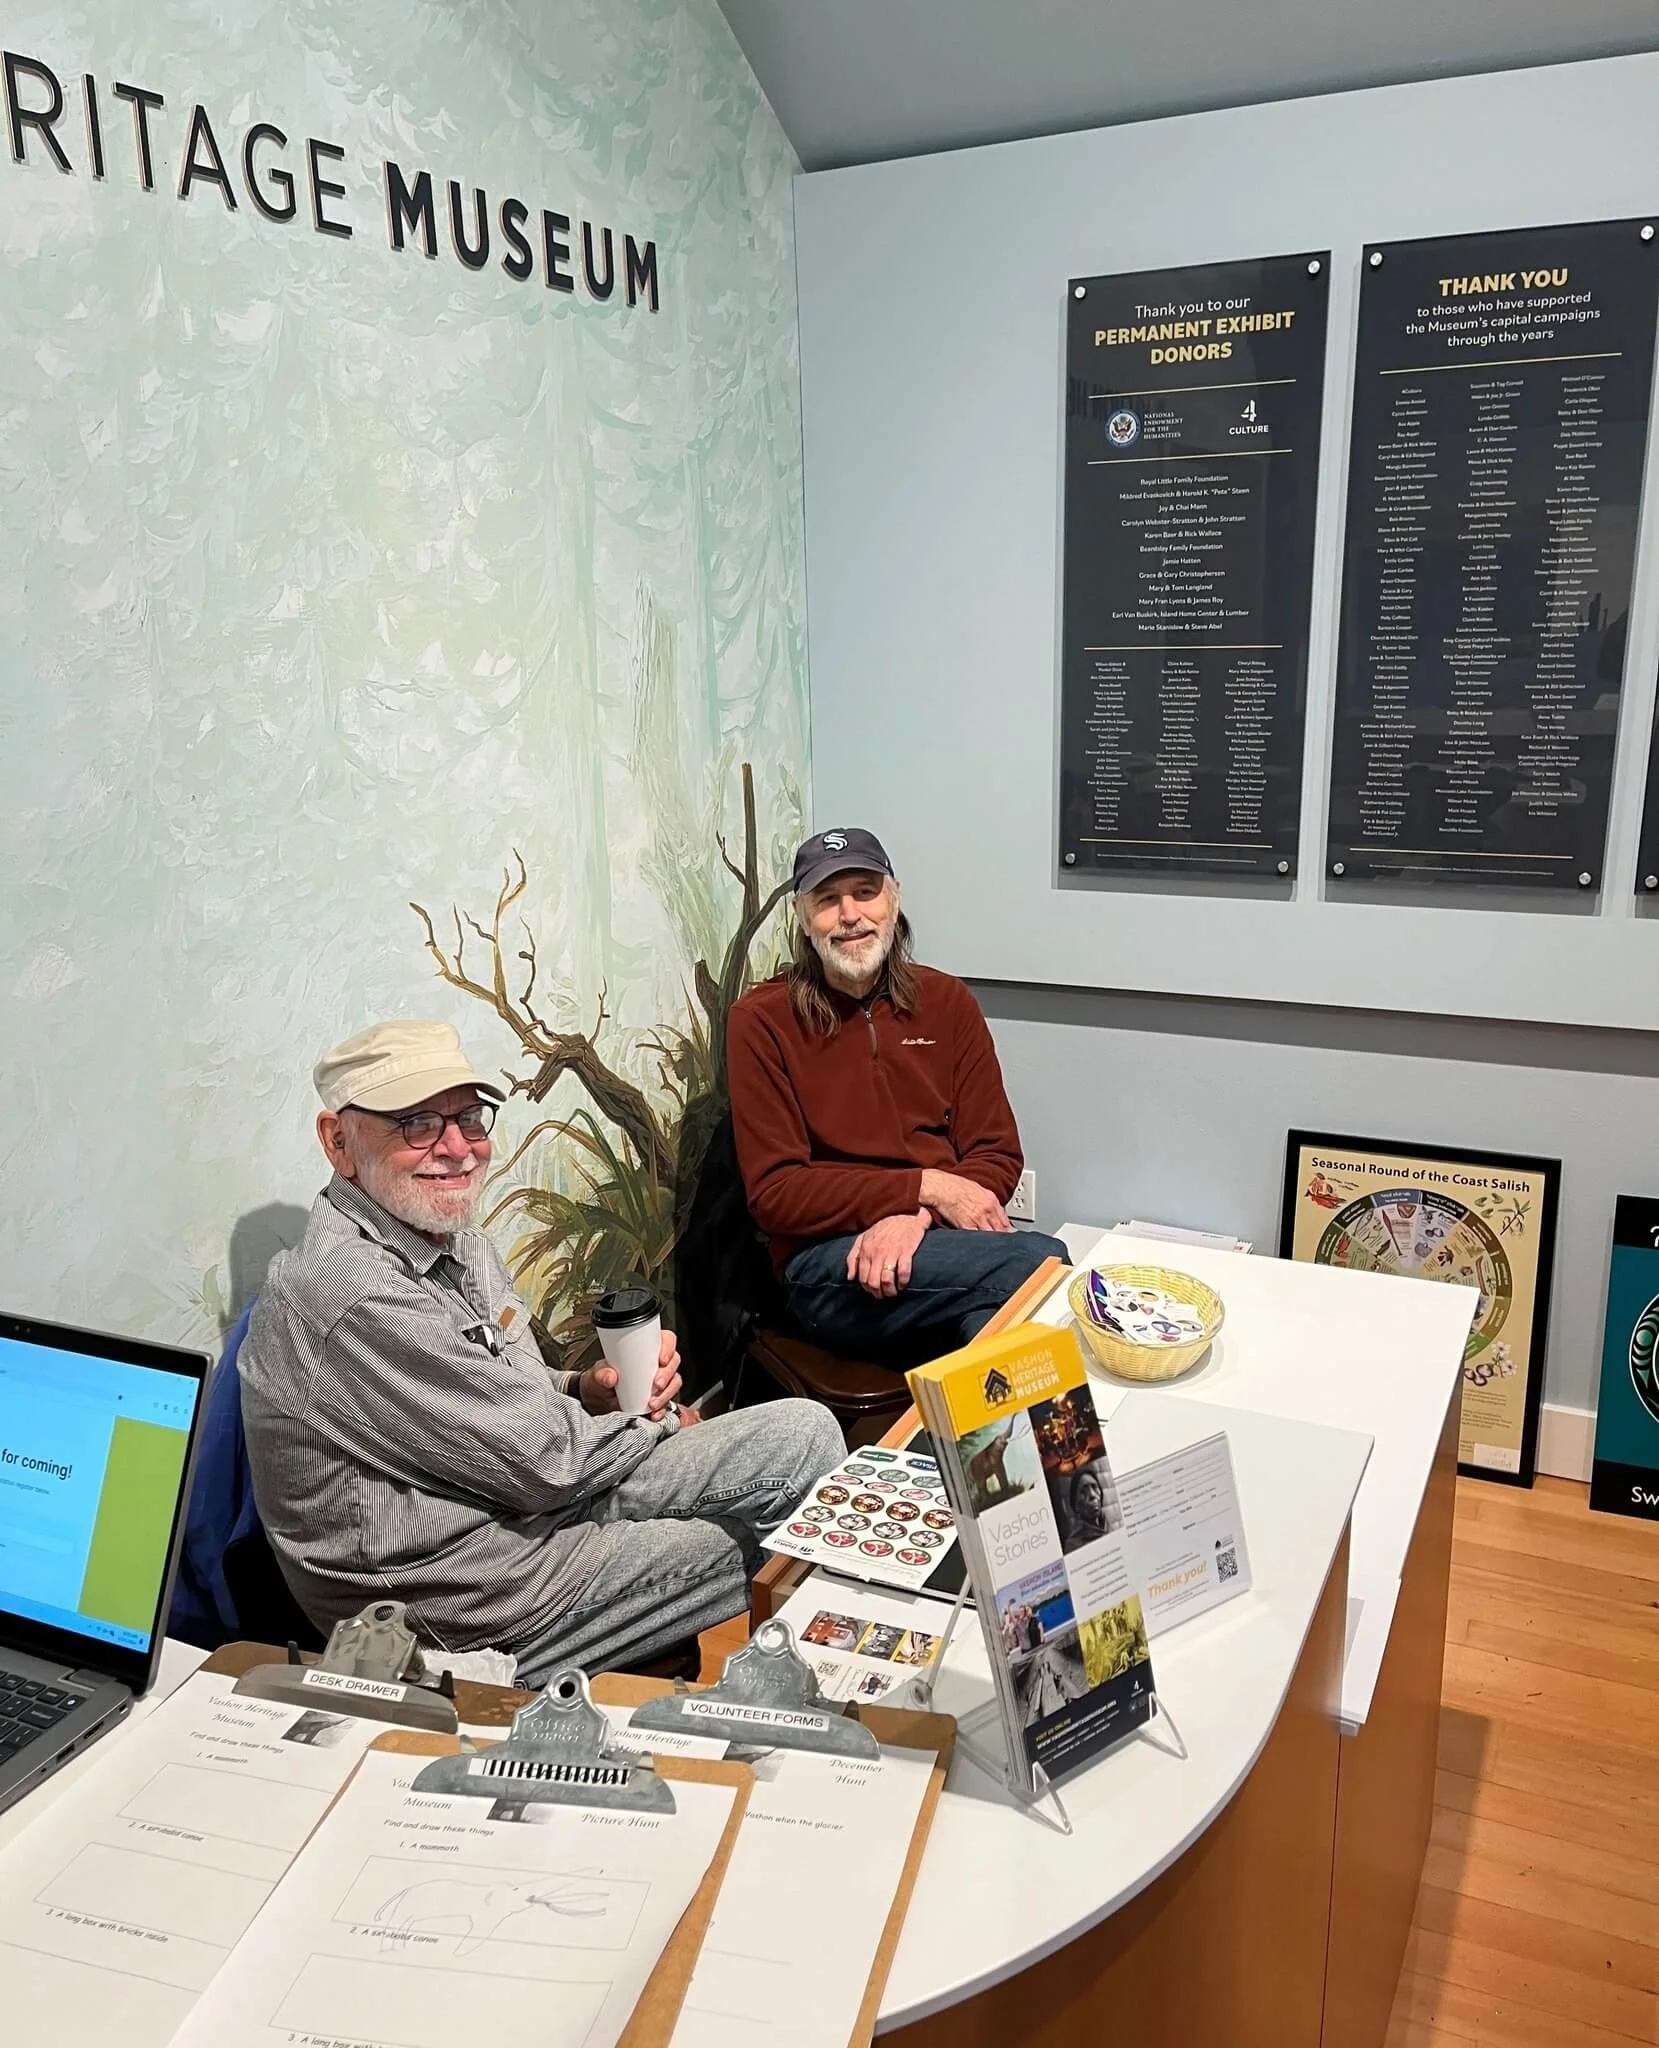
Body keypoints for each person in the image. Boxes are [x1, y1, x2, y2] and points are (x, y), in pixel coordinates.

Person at [239, 1020, 842, 1684]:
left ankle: (813, 1674)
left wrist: (583, 1390)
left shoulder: (443, 1230)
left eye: (469, 1118)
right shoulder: (351, 1292)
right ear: (338, 1142)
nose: (458, 1149)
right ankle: (810, 1698)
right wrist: (662, 1424)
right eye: (415, 1125)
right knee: (774, 1539)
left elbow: (499, 1393)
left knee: (807, 1434)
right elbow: (544, 1461)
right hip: (470, 1595)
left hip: (519, 1502)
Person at [727, 827, 1067, 1365]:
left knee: (994, 1326)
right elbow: (777, 1192)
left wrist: (918, 1215)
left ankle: (976, 1450)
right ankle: (1051, 1451)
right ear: (801, 915)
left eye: (865, 891)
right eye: (827, 900)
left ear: (894, 898)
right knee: (1039, 1265)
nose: (850, 915)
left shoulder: (947, 1001)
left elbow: (996, 1154)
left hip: (937, 1242)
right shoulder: (760, 1021)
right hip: (826, 1263)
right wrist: (925, 1187)